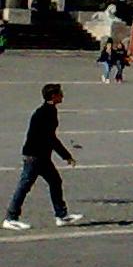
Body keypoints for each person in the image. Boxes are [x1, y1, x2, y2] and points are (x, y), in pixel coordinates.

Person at [4, 83, 81, 231]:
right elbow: (50, 138)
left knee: (55, 181)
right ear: (53, 96)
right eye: (60, 93)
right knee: (24, 186)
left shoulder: (48, 111)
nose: (62, 96)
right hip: (35, 156)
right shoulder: (46, 113)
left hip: (41, 156)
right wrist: (66, 156)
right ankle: (10, 218)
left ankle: (61, 215)